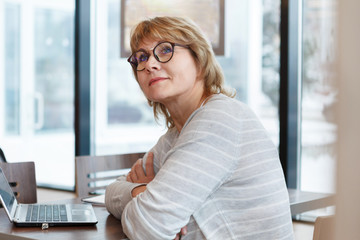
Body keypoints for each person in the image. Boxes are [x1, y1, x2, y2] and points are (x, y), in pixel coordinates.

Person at [105, 16, 294, 240]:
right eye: (141, 57)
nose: (150, 65)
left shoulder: (219, 118)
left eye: (165, 50)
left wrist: (152, 198)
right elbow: (111, 193)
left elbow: (149, 226)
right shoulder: (176, 135)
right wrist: (140, 191)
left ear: (200, 60)